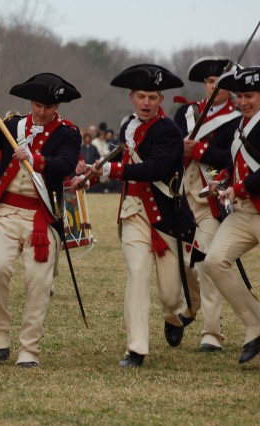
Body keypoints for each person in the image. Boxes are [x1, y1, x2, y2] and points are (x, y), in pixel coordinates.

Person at [82, 64, 200, 367]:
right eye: (141, 97)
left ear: (160, 98)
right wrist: (94, 173)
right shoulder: (127, 126)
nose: (147, 103)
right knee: (136, 275)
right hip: (133, 212)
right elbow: (124, 156)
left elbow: (156, 168)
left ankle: (176, 316)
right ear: (132, 97)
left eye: (152, 97)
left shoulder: (169, 132)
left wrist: (114, 169)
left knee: (171, 296)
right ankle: (136, 349)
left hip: (165, 218)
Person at [0, 73, 81, 367]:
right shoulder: (12, 125)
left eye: (48, 106)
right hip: (5, 213)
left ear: (57, 106)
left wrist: (37, 159)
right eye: (37, 104)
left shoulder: (68, 133)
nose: (42, 111)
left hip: (41, 216)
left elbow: (66, 165)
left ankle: (29, 349)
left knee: (38, 281)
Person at [173, 56, 242, 352]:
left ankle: (212, 333)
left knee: (206, 264)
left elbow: (231, 159)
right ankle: (188, 309)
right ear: (205, 85)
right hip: (178, 198)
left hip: (210, 200)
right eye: (211, 82)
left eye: (221, 82)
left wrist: (199, 149)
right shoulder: (185, 114)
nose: (215, 87)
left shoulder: (237, 119)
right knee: (182, 266)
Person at [203, 66, 260, 365]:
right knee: (214, 262)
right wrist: (223, 181)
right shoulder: (243, 125)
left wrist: (239, 188)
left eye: (249, 96)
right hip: (244, 211)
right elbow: (238, 161)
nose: (242, 101)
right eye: (240, 96)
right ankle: (255, 323)